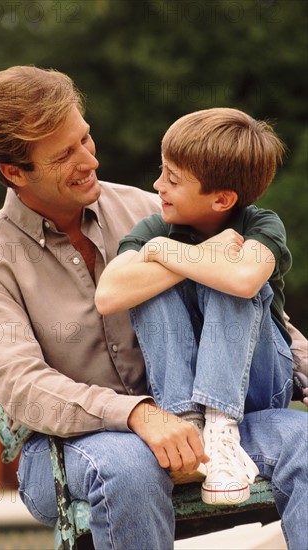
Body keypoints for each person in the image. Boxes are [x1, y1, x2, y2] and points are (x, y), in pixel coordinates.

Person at [0, 67, 307, 550]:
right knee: (128, 466)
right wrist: (137, 414)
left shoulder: (149, 208)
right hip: (72, 446)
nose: (89, 160)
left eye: (85, 139)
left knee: (305, 438)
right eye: (64, 155)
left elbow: (260, 313)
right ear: (15, 173)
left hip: (207, 430)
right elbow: (22, 387)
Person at [95, 108, 297, 506]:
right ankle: (188, 422)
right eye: (161, 171)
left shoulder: (262, 225)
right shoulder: (157, 229)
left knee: (231, 281)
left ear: (222, 198)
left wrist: (166, 256)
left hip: (261, 384)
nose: (157, 186)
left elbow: (242, 280)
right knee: (149, 284)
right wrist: (183, 250)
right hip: (183, 389)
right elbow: (109, 295)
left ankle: (221, 433)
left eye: (171, 179)